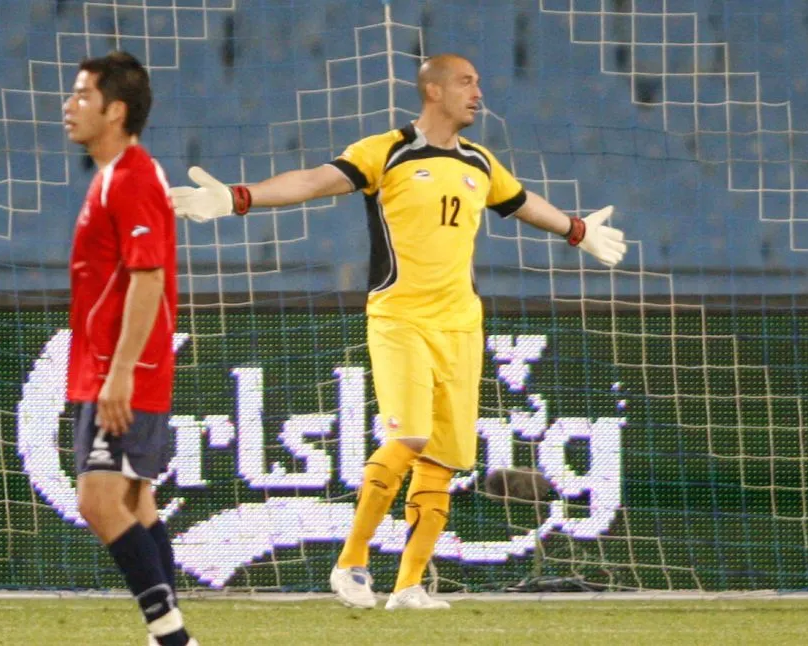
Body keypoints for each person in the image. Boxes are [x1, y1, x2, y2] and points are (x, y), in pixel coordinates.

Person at [170, 53, 627, 610]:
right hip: (400, 319)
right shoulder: (386, 151)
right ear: (433, 91)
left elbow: (522, 202)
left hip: (461, 326)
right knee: (407, 439)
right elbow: (314, 181)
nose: (478, 92)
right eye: (466, 81)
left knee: (441, 460)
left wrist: (577, 230)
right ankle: (351, 563)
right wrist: (238, 197)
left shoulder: (480, 162)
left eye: (478, 82)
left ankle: (409, 585)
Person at [63, 51, 197, 645]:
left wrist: (119, 375)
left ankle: (171, 637)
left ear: (115, 111)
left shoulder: (135, 176)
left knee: (98, 500)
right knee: (137, 502)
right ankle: (168, 636)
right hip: (107, 367)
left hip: (125, 369)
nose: (69, 107)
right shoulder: (114, 176)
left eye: (82, 95)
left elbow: (148, 279)